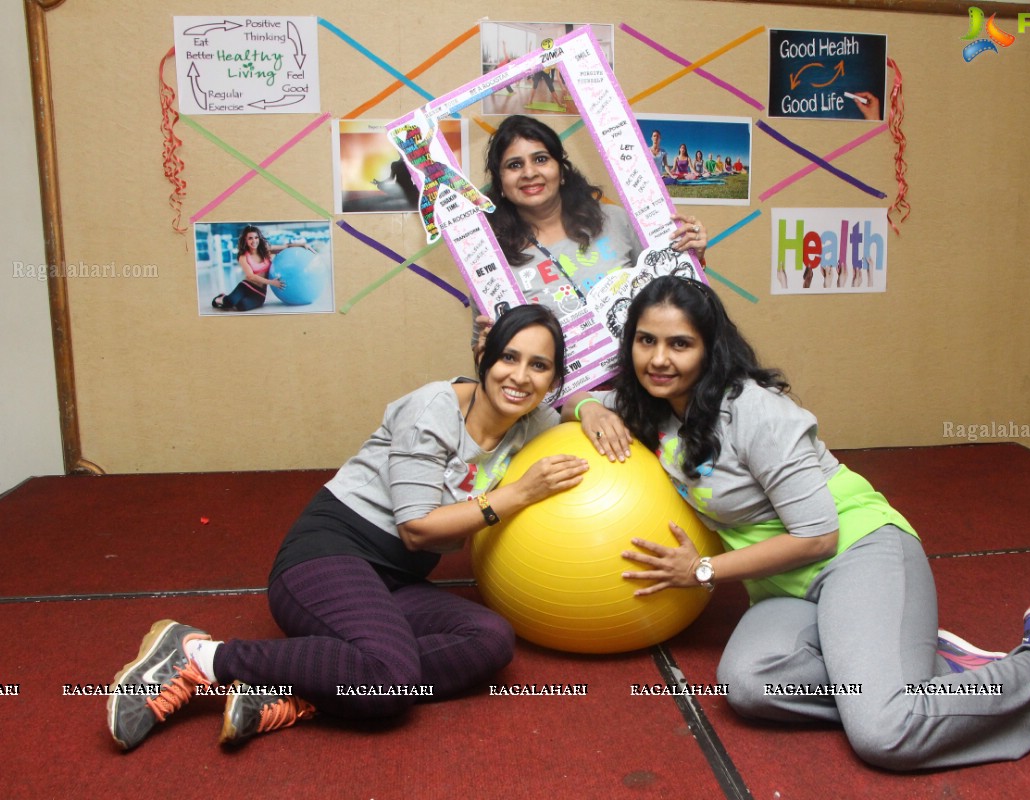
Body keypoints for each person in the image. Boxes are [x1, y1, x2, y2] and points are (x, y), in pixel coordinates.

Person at [574, 275, 1030, 771]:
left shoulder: (758, 412)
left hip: (856, 552)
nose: (658, 359)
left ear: (710, 350)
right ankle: (921, 671)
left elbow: (817, 536)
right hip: (785, 588)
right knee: (748, 686)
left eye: (680, 344)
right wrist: (590, 406)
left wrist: (701, 571)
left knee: (884, 732)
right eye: (646, 341)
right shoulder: (655, 410)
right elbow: (565, 402)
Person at [108, 305, 590, 751]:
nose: (520, 377)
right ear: (484, 355)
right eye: (509, 357)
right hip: (328, 556)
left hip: (396, 580)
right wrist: (519, 493)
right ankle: (200, 657)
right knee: (388, 678)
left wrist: (592, 408)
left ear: (553, 379)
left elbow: (579, 408)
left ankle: (301, 691)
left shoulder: (531, 420)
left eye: (539, 366)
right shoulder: (433, 409)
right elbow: (417, 528)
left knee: (489, 638)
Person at [474, 115, 707, 347]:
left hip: (644, 378)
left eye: (541, 159)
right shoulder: (489, 258)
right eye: (514, 165)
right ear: (500, 183)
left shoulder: (615, 220)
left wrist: (691, 255)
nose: (529, 172)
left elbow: (675, 295)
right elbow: (483, 348)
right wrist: (487, 348)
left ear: (561, 171)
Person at [211, 226, 310, 311]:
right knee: (230, 302)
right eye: (250, 238)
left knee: (242, 306)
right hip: (246, 286)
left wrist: (302, 245)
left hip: (259, 292)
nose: (254, 241)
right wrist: (272, 282)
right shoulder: (243, 257)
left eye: (256, 237)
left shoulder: (266, 250)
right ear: (245, 240)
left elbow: (286, 246)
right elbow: (250, 276)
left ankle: (234, 299)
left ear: (259, 238)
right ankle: (221, 298)